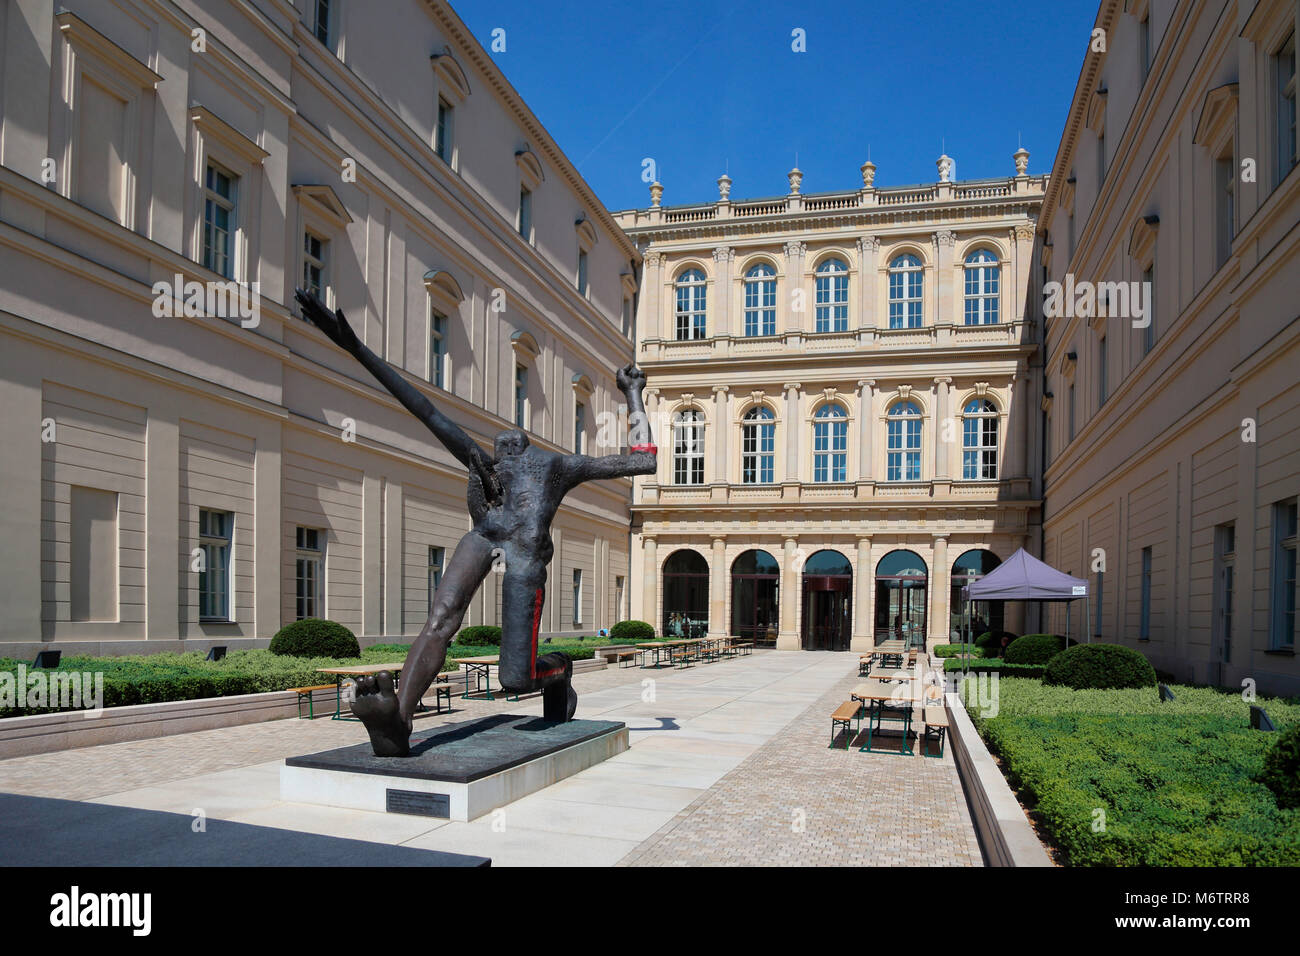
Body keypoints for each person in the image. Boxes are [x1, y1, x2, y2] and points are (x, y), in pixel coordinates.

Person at [295, 290, 657, 756]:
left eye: (511, 443)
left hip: (525, 558)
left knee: (515, 680)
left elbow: (642, 462)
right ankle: (399, 720)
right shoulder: (487, 468)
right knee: (441, 618)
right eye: (499, 446)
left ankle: (559, 670)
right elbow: (424, 410)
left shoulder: (558, 466)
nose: (502, 443)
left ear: (526, 450)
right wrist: (356, 349)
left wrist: (633, 393)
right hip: (485, 536)